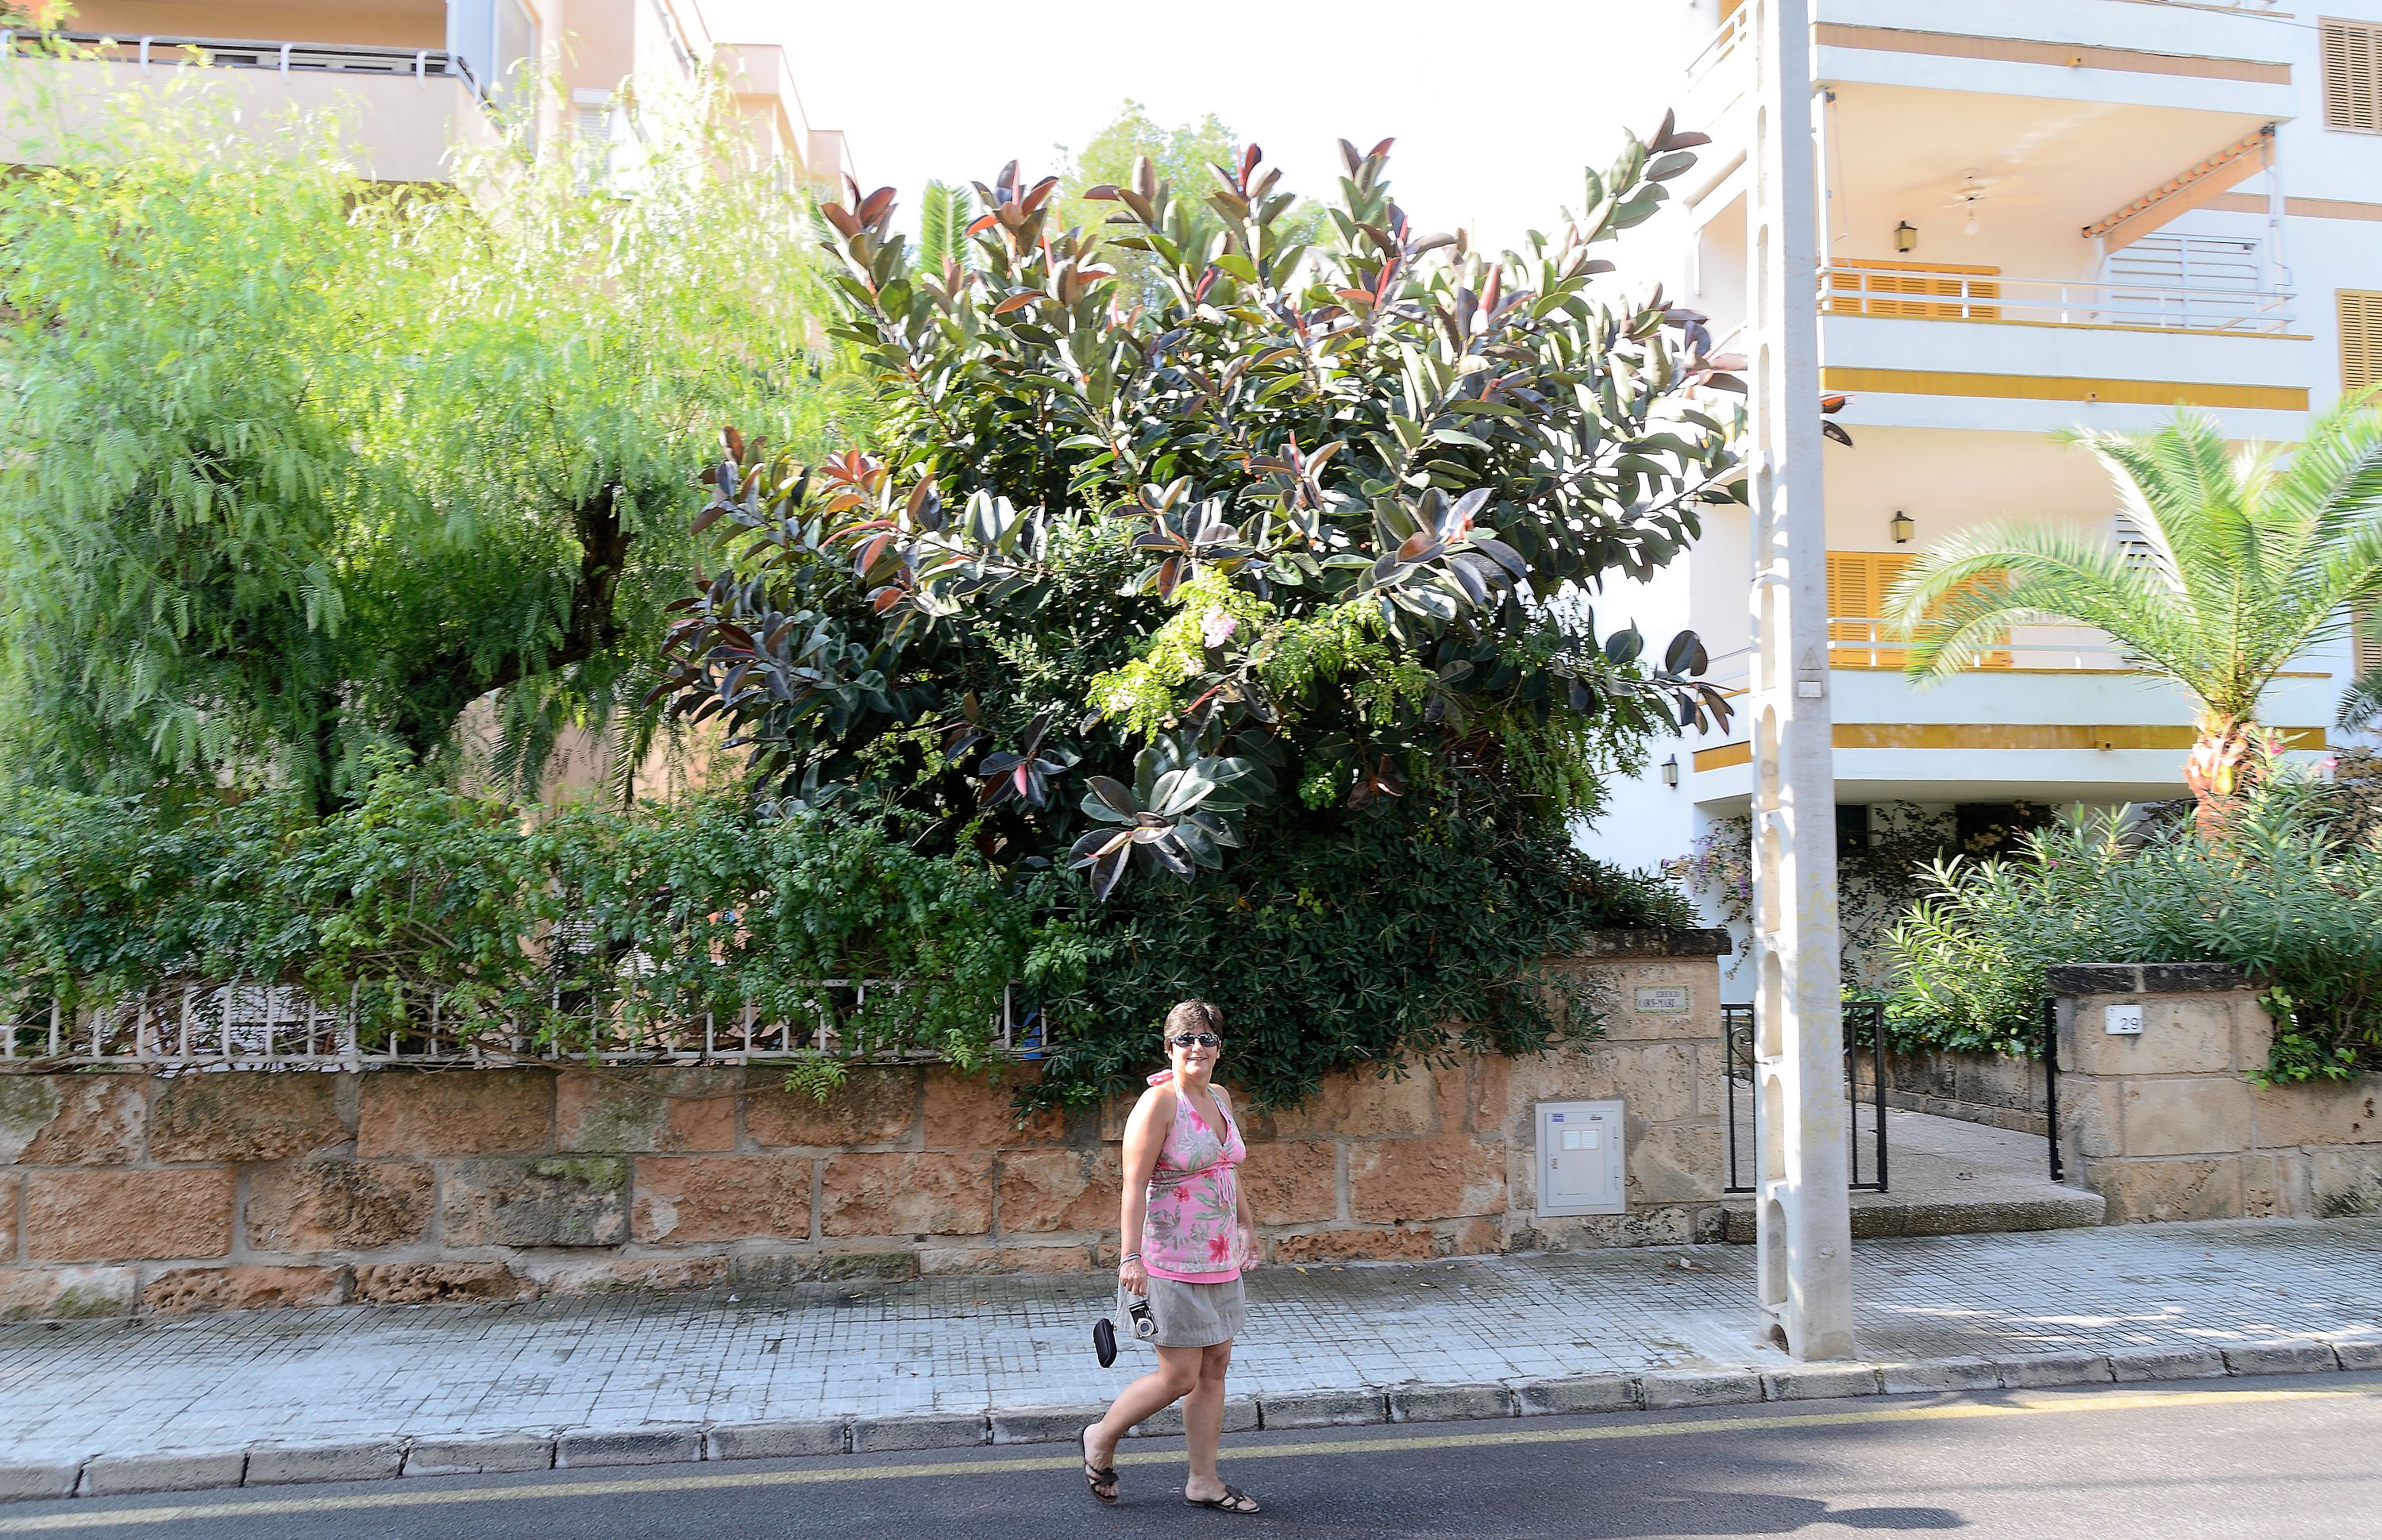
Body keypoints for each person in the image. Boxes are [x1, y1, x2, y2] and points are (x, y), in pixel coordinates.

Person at [1081, 999, 1261, 1514]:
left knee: (1215, 1367)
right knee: (1179, 1376)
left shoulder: (1220, 1097)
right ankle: (1100, 1436)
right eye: (1186, 1039)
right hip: (1168, 1261)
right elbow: (1133, 1186)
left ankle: (1203, 1481)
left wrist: (1246, 1225)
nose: (1197, 1048)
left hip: (1218, 1257)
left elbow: (1225, 1168)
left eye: (1207, 1038)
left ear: (1219, 1047)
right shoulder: (1159, 1104)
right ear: (1169, 1047)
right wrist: (1129, 1257)